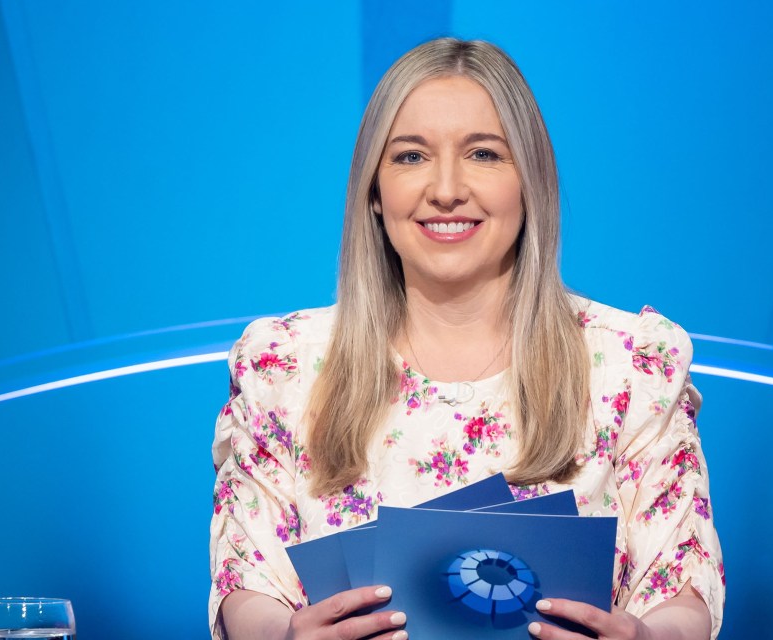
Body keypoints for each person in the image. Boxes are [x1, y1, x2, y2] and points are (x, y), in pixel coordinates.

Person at [210, 37, 724, 640]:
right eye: (410, 157)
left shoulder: (633, 364)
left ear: (530, 182)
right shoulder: (284, 366)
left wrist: (645, 638)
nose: (447, 189)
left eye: (483, 154)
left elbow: (683, 593)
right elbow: (246, 588)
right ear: (374, 191)